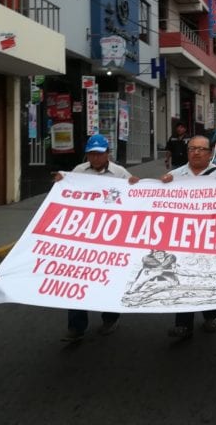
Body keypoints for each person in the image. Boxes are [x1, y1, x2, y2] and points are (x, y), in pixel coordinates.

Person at [53, 134, 134, 341]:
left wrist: (138, 186)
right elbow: (65, 196)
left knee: (107, 278)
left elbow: (135, 199)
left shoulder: (120, 174)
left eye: (99, 154)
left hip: (111, 236)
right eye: (91, 154)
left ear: (108, 153)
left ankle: (110, 317)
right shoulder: (78, 172)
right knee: (77, 278)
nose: (95, 158)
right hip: (83, 236)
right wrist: (61, 184)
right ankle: (76, 327)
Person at [160, 135, 216, 340]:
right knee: (183, 280)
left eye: (201, 149)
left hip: (211, 240)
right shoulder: (173, 176)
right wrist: (156, 185)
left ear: (210, 153)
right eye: (192, 148)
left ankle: (211, 315)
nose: (196, 152)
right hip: (183, 240)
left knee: (209, 278)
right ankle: (182, 325)